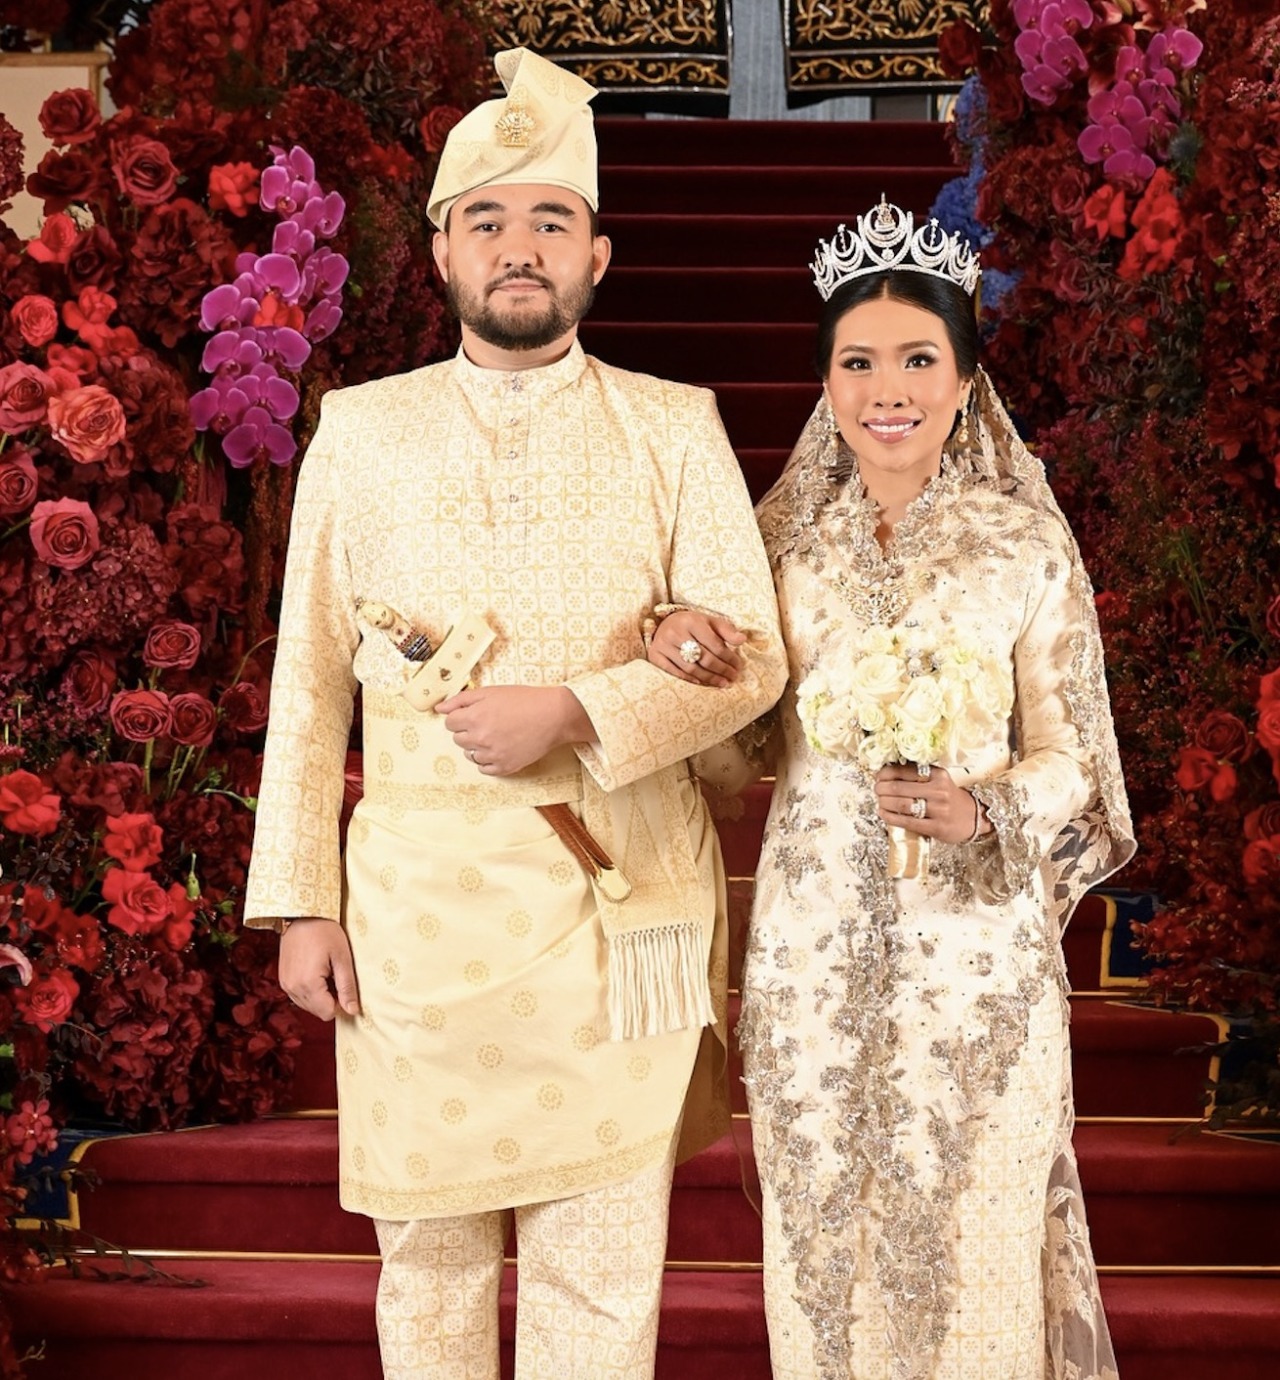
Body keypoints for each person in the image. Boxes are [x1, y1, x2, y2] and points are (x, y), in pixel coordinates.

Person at [242, 47, 786, 1380]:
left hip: (612, 910)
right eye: (486, 220)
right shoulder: (359, 430)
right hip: (414, 916)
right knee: (428, 1271)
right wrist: (301, 900)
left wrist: (579, 710)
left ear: (597, 255)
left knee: (600, 1276)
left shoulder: (674, 426)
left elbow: (754, 659)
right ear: (443, 252)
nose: (519, 247)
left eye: (550, 220)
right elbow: (308, 682)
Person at [647, 200, 1136, 1380]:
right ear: (824, 385)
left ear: (964, 380)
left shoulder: (1023, 544)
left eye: (917, 360)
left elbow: (1073, 756)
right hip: (809, 965)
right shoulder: (780, 550)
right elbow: (732, 759)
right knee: (823, 1266)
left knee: (971, 1265)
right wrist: (684, 663)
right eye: (856, 363)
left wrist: (984, 810)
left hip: (976, 968)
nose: (887, 390)